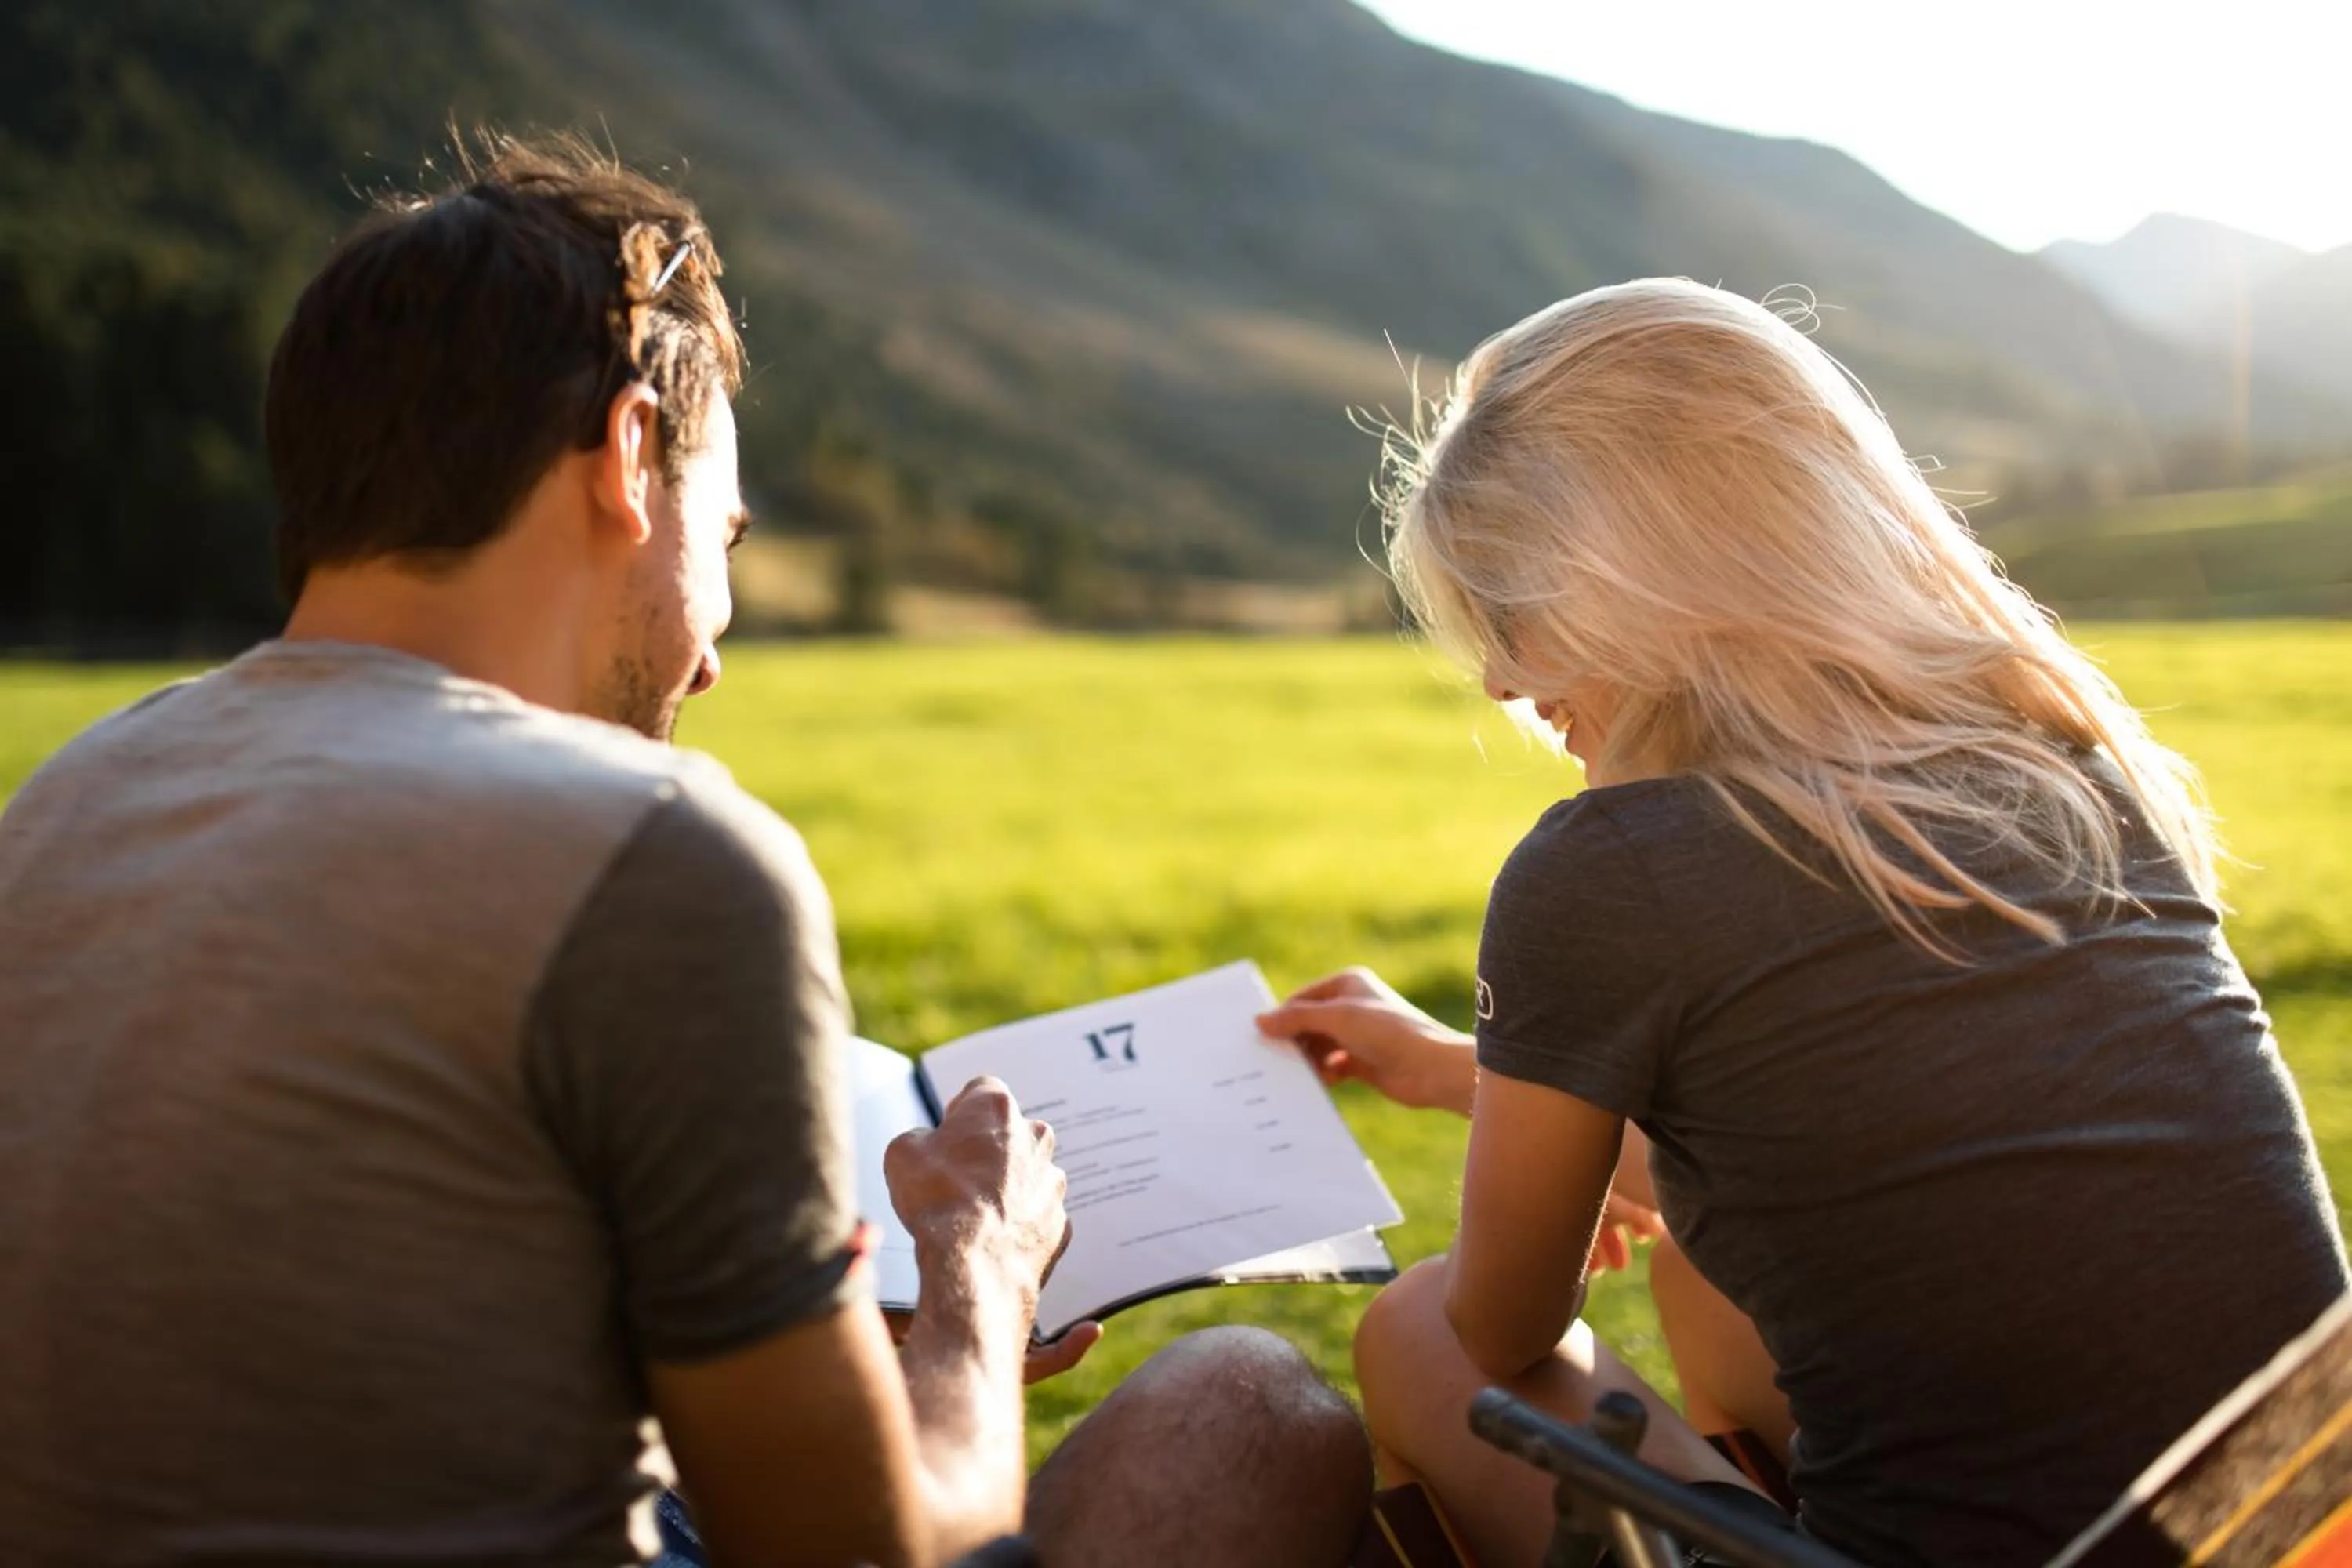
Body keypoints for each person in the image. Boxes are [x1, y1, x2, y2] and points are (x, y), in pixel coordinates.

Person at [0, 132, 1370, 1568]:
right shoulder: (652, 849)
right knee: (1246, 1407)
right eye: (722, 535)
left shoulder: (75, 800)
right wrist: (982, 1269)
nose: (711, 657)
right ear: (630, 454)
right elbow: (865, 1548)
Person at [1255, 278, 2350, 1568]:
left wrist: (1532, 1180)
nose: (1500, 679)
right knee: (1699, 1275)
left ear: (1634, 577)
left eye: (1508, 614)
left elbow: (1502, 1330)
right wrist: (1462, 1070)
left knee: (1419, 1331)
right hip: (2294, 1521)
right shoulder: (2060, 771)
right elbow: (1883, 1169)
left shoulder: (1603, 869)